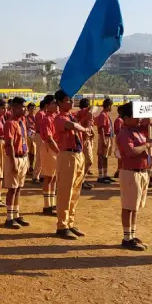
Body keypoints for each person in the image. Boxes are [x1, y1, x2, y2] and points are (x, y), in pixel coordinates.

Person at [53, 90, 91, 240]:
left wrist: (89, 114)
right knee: (66, 192)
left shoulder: (72, 115)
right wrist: (85, 128)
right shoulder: (60, 118)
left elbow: (87, 112)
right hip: (67, 155)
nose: (71, 102)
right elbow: (72, 126)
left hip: (77, 154)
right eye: (68, 100)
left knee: (75, 192)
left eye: (71, 100)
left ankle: (70, 222)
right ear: (60, 103)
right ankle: (62, 225)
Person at [116, 102, 152, 251]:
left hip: (141, 171)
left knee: (135, 206)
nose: (138, 118)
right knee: (128, 206)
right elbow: (131, 152)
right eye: (135, 116)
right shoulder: (124, 133)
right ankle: (126, 238)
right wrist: (147, 146)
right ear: (126, 118)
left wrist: (151, 120)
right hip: (131, 172)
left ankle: (131, 234)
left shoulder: (136, 130)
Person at [3, 97, 31, 229]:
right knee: (12, 189)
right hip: (14, 158)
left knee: (19, 188)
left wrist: (28, 159)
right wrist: (13, 162)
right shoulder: (10, 123)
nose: (24, 109)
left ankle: (16, 214)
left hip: (23, 157)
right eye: (22, 107)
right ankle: (9, 218)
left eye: (25, 107)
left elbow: (24, 140)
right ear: (14, 108)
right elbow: (10, 144)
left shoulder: (22, 122)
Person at [39, 95, 59, 216]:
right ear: (47, 106)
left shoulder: (54, 117)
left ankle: (51, 202)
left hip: (53, 147)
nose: (56, 105)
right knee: (48, 177)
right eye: (53, 103)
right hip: (49, 148)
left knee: (53, 176)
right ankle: (47, 205)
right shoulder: (47, 118)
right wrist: (58, 150)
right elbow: (49, 138)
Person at [75, 98, 94, 190]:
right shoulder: (84, 112)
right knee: (88, 161)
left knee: (84, 161)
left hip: (85, 139)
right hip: (84, 139)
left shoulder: (80, 113)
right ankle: (80, 180)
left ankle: (81, 179)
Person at [96, 98, 115, 184]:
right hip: (104, 137)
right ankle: (100, 176)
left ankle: (105, 175)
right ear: (108, 106)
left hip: (108, 137)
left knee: (105, 156)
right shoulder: (103, 115)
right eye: (111, 105)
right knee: (101, 156)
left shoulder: (105, 114)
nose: (111, 107)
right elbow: (102, 128)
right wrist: (104, 140)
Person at [32, 101, 46, 184]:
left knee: (41, 156)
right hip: (40, 135)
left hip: (40, 135)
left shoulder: (40, 114)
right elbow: (41, 127)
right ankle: (36, 176)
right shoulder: (41, 114)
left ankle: (40, 175)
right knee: (40, 156)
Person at [113, 108, 124, 179]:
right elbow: (119, 131)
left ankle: (119, 170)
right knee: (120, 156)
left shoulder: (120, 120)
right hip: (120, 139)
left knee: (121, 156)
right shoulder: (119, 120)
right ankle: (119, 170)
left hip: (120, 139)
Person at [26, 102, 37, 173]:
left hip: (35, 137)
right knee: (28, 152)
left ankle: (31, 166)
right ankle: (28, 166)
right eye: (31, 109)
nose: (32, 110)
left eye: (34, 109)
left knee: (34, 152)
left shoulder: (36, 117)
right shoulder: (25, 118)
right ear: (28, 109)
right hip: (27, 137)